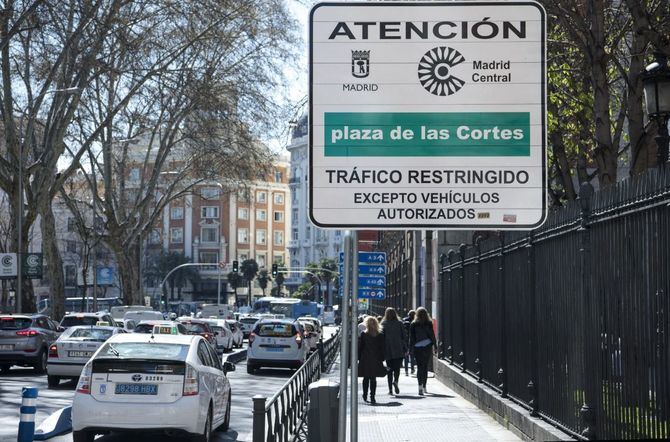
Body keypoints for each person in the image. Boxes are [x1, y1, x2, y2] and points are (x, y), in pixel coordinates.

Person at [358, 316, 386, 404]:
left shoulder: (363, 334)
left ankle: (365, 394)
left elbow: (360, 347)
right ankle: (372, 396)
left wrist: (358, 358)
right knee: (373, 378)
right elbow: (382, 348)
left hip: (365, 358)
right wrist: (382, 358)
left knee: (366, 377)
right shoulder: (380, 335)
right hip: (376, 358)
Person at [409, 307, 436, 395]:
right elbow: (432, 335)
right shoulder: (429, 323)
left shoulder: (413, 324)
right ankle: (424, 386)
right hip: (427, 346)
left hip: (417, 347)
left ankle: (419, 386)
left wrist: (410, 349)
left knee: (419, 367)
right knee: (425, 367)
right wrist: (435, 345)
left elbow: (412, 338)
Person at [381, 307, 406, 395]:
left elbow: (381, 337)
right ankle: (396, 381)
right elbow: (404, 336)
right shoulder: (399, 323)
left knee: (389, 370)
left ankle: (390, 390)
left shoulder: (383, 324)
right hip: (398, 349)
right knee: (397, 368)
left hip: (388, 349)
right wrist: (405, 348)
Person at [403, 310, 416, 375]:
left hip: (405, 340)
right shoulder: (415, 322)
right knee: (412, 356)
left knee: (406, 356)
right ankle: (412, 369)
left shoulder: (404, 321)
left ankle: (406, 370)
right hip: (412, 341)